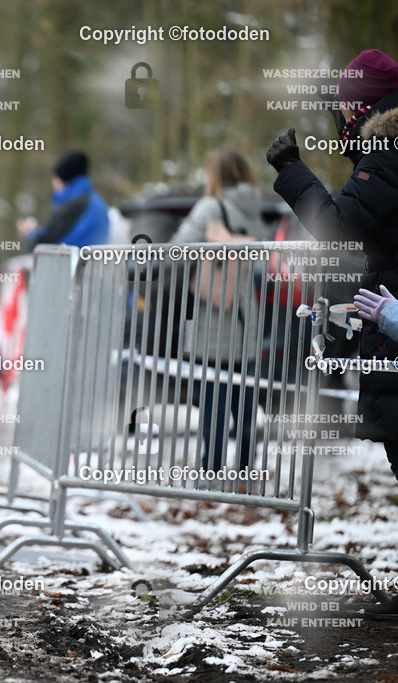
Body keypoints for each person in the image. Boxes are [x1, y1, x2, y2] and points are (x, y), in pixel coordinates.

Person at [267, 49, 398, 618]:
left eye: (346, 108)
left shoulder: (389, 154)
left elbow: (340, 227)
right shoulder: (383, 153)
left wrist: (293, 171)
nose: (340, 118)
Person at [170, 150, 271, 474]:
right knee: (245, 402)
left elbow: (177, 248)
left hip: (213, 320)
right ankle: (244, 472)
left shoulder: (211, 206)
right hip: (247, 319)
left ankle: (211, 469)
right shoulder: (253, 208)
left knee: (213, 400)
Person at [16, 151, 109, 248]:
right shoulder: (98, 203)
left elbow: (42, 242)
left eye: (55, 182)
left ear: (62, 181)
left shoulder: (75, 203)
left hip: (72, 257)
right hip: (92, 257)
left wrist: (29, 232)